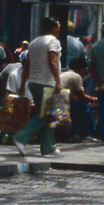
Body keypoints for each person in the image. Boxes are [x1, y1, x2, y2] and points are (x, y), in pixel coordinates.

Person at [12, 16, 65, 157]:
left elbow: (27, 65)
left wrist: (23, 84)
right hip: (47, 83)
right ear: (53, 28)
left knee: (47, 115)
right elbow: (53, 60)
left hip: (33, 83)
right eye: (58, 26)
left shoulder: (34, 42)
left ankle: (48, 147)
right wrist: (58, 81)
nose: (59, 29)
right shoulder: (53, 41)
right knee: (48, 115)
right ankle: (21, 136)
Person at [60, 55, 100, 142]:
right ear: (81, 69)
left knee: (77, 104)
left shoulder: (65, 73)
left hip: (60, 100)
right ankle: (86, 133)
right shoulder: (76, 76)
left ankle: (76, 133)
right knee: (83, 105)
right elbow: (83, 96)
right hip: (62, 103)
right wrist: (97, 100)